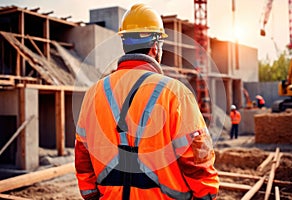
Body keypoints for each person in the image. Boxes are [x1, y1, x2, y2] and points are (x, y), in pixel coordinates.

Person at [74, 3, 219, 200]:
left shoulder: (93, 94)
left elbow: (82, 156)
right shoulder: (175, 93)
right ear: (155, 46)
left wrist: (91, 195)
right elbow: (196, 157)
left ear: (125, 44)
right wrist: (206, 195)